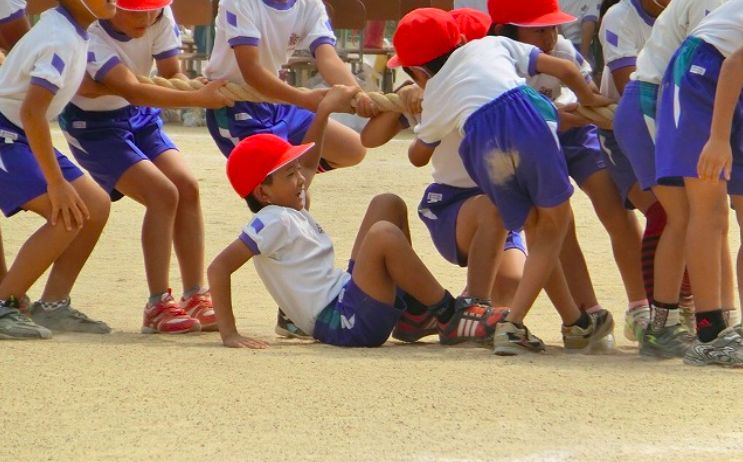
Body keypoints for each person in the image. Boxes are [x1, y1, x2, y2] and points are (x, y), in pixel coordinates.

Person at [208, 85, 509, 348]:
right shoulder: (272, 220)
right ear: (263, 193)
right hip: (342, 321)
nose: (301, 178)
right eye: (290, 173)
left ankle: (415, 315)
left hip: (348, 298)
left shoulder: (288, 206)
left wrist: (324, 110)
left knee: (386, 204)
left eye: (297, 170)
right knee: (382, 235)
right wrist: (229, 333)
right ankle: (450, 315)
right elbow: (219, 268)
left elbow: (310, 165)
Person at [390, 8, 614, 354]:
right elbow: (567, 69)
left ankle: (574, 322)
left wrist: (423, 112)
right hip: (527, 122)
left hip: (482, 146)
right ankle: (514, 324)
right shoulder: (492, 46)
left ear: (416, 71)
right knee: (554, 225)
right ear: (462, 40)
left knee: (536, 227)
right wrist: (590, 99)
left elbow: (418, 156)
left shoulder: (434, 94)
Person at [60, 0, 234, 334]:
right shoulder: (93, 31)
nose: (147, 16)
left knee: (187, 185)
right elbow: (135, 90)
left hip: (139, 117)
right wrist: (199, 99)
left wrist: (189, 85)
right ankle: (157, 303)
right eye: (135, 9)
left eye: (152, 8)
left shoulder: (160, 16)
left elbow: (171, 74)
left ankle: (195, 293)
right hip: (93, 127)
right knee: (162, 194)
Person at [360, 8, 526, 343]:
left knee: (511, 281)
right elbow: (369, 139)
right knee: (490, 212)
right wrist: (405, 97)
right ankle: (470, 309)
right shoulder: (435, 92)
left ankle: (429, 316)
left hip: (499, 207)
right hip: (453, 204)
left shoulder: (499, 87)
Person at [489, 0, 645, 343]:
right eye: (539, 30)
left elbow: (586, 95)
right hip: (536, 140)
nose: (550, 37)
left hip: (578, 132)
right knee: (559, 224)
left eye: (553, 27)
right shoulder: (496, 64)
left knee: (615, 208)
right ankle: (587, 314)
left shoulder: (561, 49)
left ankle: (641, 307)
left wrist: (588, 108)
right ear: (504, 32)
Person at [612, 0, 734, 358]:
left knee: (701, 217)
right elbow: (710, 63)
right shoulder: (711, 3)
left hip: (666, 96)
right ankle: (669, 325)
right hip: (655, 97)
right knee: (687, 217)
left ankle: (705, 320)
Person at [0, 0, 117, 339]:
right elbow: (32, 113)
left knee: (95, 204)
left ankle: (53, 305)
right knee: (67, 212)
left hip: (18, 133)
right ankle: (4, 304)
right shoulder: (59, 39)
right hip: (6, 136)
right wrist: (56, 182)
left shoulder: (73, 29)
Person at [654, 0, 743, 366]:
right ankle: (710, 333)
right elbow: (737, 61)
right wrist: (719, 138)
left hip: (734, 76)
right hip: (705, 69)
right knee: (710, 209)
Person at [204, 0, 377, 170]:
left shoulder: (310, 4)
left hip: (278, 98)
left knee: (352, 149)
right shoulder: (238, 2)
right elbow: (251, 71)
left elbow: (327, 57)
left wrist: (357, 94)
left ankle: (289, 175)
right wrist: (303, 99)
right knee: (283, 189)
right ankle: (281, 180)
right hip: (235, 103)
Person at [597, 0, 671, 339]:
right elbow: (631, 88)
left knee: (693, 215)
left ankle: (698, 308)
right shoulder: (620, 16)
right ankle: (650, 312)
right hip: (622, 129)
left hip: (672, 125)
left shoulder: (685, 11)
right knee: (663, 213)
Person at [558, 0, 601, 64]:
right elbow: (589, 24)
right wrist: (583, 59)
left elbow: (555, 22)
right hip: (578, 45)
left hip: (557, 42)